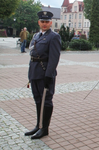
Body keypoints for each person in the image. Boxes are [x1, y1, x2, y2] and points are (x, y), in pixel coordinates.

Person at [25, 11, 61, 139]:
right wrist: (30, 74)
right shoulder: (36, 36)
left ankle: (44, 128)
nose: (44, 24)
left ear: (50, 23)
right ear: (39, 22)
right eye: (42, 21)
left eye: (47, 22)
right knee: (38, 100)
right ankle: (38, 125)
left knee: (46, 101)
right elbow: (32, 55)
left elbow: (54, 58)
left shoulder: (54, 37)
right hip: (35, 72)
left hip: (45, 73)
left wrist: (48, 75)